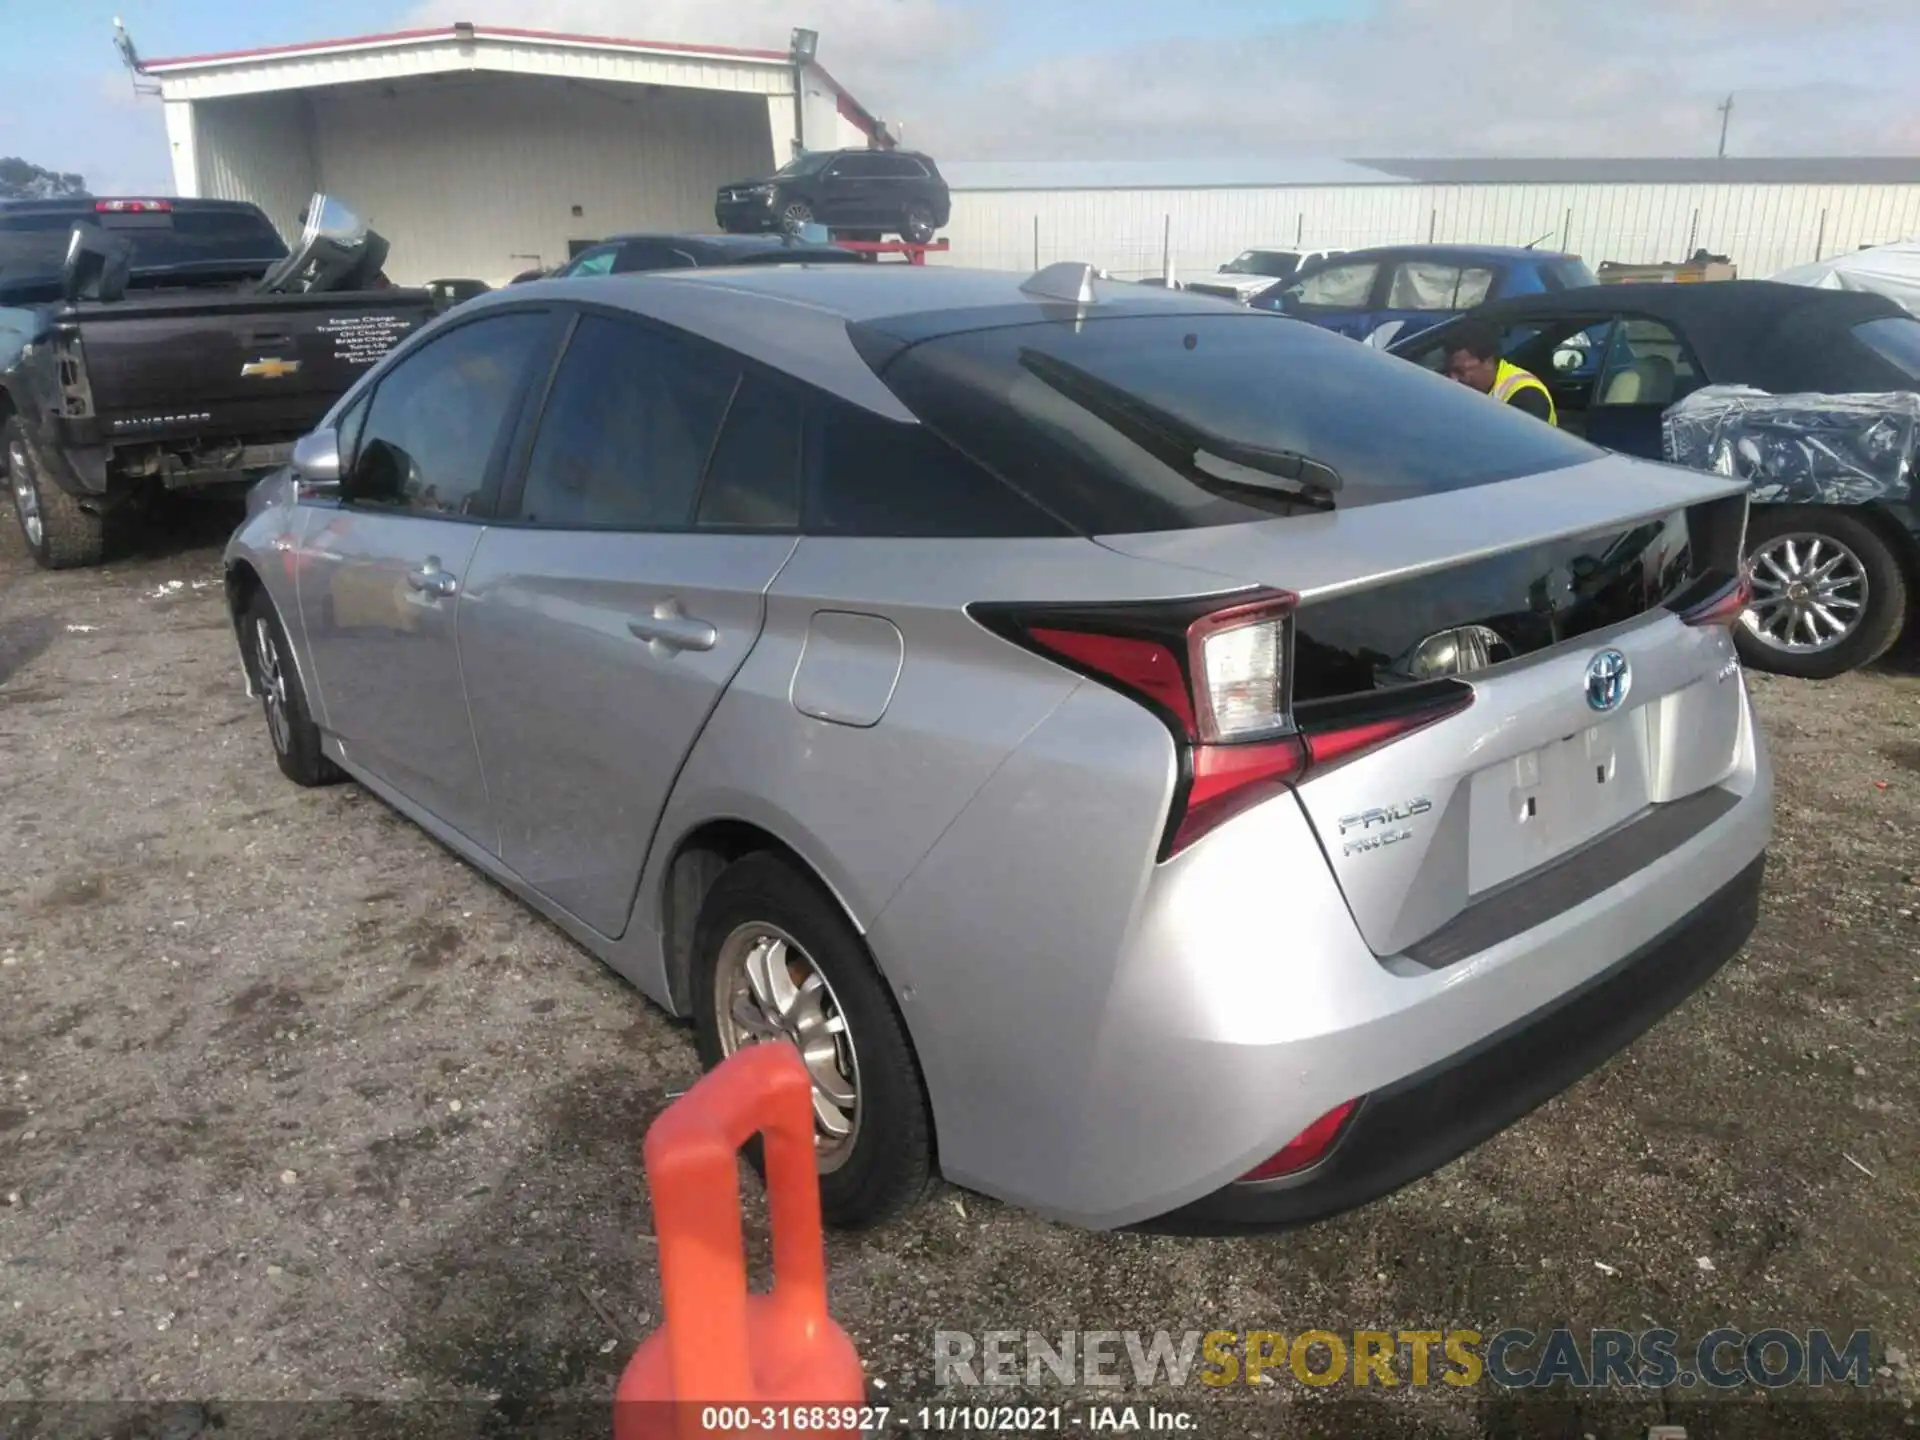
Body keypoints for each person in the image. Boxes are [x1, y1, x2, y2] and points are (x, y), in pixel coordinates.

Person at [1443, 323, 1557, 425]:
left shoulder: (1526, 395)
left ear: (1488, 362)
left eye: (1460, 371)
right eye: (1449, 371)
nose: (1453, 379)